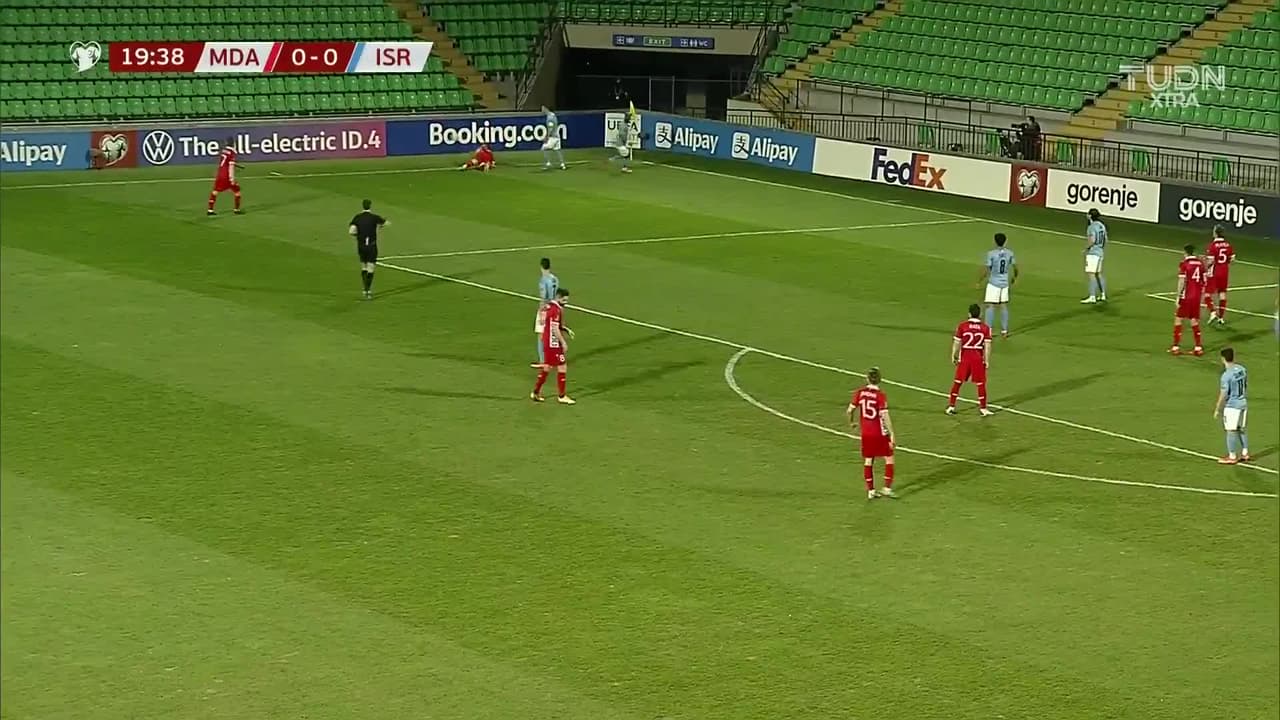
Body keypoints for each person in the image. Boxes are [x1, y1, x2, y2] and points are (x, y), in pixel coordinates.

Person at [847, 367, 896, 499]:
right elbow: (885, 416)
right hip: (879, 432)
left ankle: (871, 491)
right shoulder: (880, 396)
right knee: (889, 457)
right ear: (880, 379)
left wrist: (851, 423)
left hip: (866, 433)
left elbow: (849, 410)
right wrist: (892, 433)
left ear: (867, 379)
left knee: (868, 460)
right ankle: (887, 488)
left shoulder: (859, 393)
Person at [947, 303, 994, 416]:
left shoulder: (962, 326)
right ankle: (983, 408)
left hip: (965, 358)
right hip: (978, 359)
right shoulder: (985, 328)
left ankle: (951, 406)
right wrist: (987, 360)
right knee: (981, 383)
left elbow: (957, 342)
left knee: (958, 382)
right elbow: (987, 346)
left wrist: (953, 355)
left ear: (969, 314)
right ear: (980, 314)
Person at [532, 288, 575, 404]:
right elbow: (555, 328)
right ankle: (561, 396)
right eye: (564, 300)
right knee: (562, 366)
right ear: (558, 298)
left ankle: (536, 392)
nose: (566, 303)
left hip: (548, 341)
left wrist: (566, 329)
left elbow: (550, 323)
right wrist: (563, 342)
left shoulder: (549, 306)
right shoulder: (556, 310)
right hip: (553, 343)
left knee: (547, 367)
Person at [1213, 347, 1249, 464]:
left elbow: (1224, 393)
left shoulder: (1226, 375)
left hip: (1232, 406)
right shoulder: (1242, 369)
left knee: (1231, 431)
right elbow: (1245, 384)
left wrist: (1218, 408)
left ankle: (1232, 456)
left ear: (1223, 359)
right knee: (1241, 429)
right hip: (1243, 403)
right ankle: (1245, 453)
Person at [1170, 245, 1206, 356]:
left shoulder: (1184, 264)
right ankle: (1198, 347)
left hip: (1186, 295)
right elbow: (1204, 281)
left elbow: (1182, 281)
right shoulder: (1201, 264)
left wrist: (1178, 296)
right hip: (1196, 296)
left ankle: (1175, 346)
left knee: (1178, 319)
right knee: (1194, 320)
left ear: (1185, 253)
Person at [979, 232, 1017, 338]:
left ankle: (988, 331)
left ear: (995, 241)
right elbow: (1015, 267)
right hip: (1004, 283)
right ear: (1005, 241)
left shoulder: (991, 254)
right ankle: (1004, 330)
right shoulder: (1010, 253)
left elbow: (987, 269)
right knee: (1003, 305)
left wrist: (979, 280)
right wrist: (1014, 277)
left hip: (994, 283)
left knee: (990, 305)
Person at [348, 199, 387, 300]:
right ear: (370, 206)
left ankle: (365, 289)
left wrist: (358, 235)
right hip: (371, 246)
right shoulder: (374, 217)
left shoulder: (357, 217)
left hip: (361, 246)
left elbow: (351, 231)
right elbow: (385, 223)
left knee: (364, 267)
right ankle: (368, 290)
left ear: (363, 206)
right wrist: (382, 225)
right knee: (371, 268)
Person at [531, 257, 560, 368]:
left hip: (546, 309)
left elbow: (544, 297)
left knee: (541, 335)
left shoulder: (543, 280)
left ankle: (543, 361)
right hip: (555, 308)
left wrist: (541, 309)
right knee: (552, 334)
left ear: (541, 267)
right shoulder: (555, 279)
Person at [1203, 225, 1235, 326]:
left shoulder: (1213, 245)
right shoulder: (1228, 245)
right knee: (1222, 293)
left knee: (1207, 294)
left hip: (1214, 272)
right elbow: (1232, 260)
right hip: (1224, 272)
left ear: (1216, 233)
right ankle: (1221, 318)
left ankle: (1212, 312)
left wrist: (1205, 266)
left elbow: (1211, 261)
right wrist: (1225, 263)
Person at [207, 137, 242, 216]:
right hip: (227, 176)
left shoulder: (223, 151)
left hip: (220, 174)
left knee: (215, 191)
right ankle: (236, 209)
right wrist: (232, 178)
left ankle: (210, 210)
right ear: (233, 143)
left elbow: (225, 161)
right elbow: (231, 166)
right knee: (237, 191)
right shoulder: (232, 153)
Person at [1080, 208, 1108, 304]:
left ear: (1090, 216)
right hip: (1100, 252)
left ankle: (1092, 296)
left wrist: (1086, 248)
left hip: (1093, 253)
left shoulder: (1091, 227)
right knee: (1098, 274)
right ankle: (1103, 295)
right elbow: (1105, 239)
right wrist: (1101, 248)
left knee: (1091, 274)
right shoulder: (1101, 225)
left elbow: (1092, 240)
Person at [540, 105, 566, 171]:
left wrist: (546, 137)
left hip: (553, 137)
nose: (542, 110)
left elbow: (550, 129)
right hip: (557, 136)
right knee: (557, 150)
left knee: (544, 148)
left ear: (546, 109)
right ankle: (562, 165)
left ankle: (548, 163)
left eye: (543, 108)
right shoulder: (553, 115)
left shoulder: (549, 117)